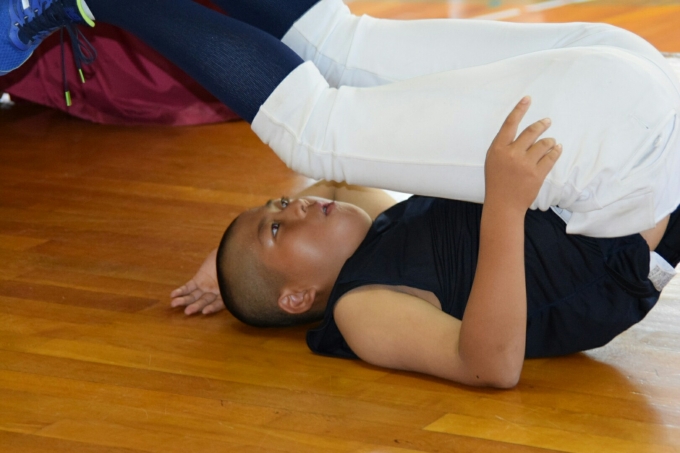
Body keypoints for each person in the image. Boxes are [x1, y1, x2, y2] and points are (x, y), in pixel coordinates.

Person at [3, 0, 680, 238]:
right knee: (317, 130)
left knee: (343, 40)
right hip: (621, 150)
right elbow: (493, 365)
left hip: (645, 73)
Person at [171, 98, 680, 388]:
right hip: (595, 261)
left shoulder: (372, 226)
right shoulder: (360, 309)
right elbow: (490, 367)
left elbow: (332, 180)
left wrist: (225, 263)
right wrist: (504, 205)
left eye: (280, 202)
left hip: (569, 213)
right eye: (277, 229)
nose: (295, 207)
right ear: (298, 297)